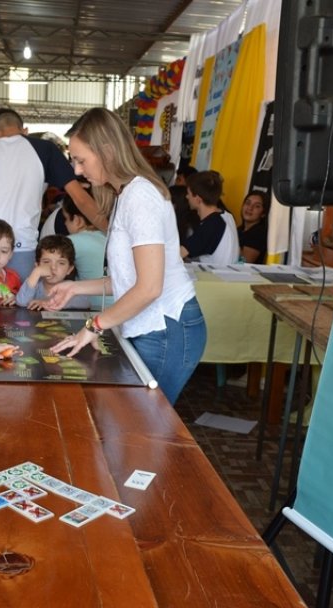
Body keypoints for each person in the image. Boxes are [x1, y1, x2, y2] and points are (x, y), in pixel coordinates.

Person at [47, 107, 207, 405]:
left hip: (166, 329)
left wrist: (94, 325)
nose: (78, 171)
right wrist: (75, 287)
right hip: (150, 326)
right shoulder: (125, 194)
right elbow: (127, 279)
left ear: (107, 151)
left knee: (144, 425)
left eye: (81, 160)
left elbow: (148, 288)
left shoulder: (140, 197)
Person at [0, 107, 101, 280]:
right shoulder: (44, 149)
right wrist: (108, 232)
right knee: (17, 303)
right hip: (19, 246)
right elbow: (79, 197)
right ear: (24, 131)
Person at [180, 170, 240, 265]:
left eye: (189, 193)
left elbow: (178, 254)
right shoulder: (226, 216)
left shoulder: (212, 224)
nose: (187, 197)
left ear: (198, 199)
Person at [16, 235, 90, 310]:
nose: (53, 267)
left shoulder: (71, 287)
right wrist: (36, 273)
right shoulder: (34, 284)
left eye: (61, 263)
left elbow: (85, 302)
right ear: (37, 265)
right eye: (46, 262)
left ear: (69, 269)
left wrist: (48, 302)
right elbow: (21, 302)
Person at [238, 191, 269, 264]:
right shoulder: (239, 229)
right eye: (248, 203)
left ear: (263, 214)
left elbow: (243, 262)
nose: (250, 208)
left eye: (257, 206)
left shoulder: (259, 233)